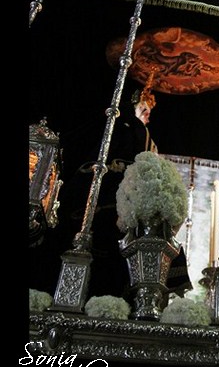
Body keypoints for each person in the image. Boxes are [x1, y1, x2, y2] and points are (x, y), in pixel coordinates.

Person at [30, 82, 191, 301]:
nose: (147, 116)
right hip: (112, 197)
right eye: (144, 109)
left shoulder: (135, 132)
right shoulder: (132, 130)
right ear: (134, 105)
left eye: (149, 112)